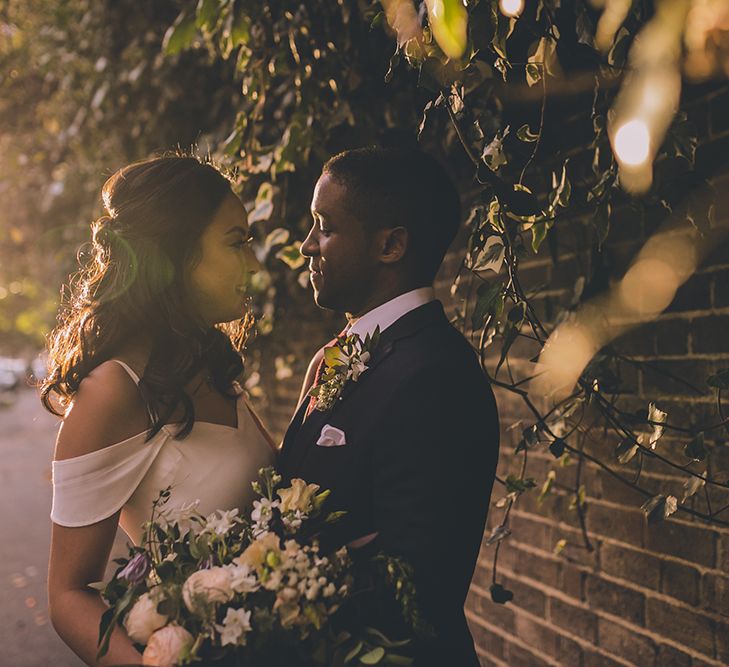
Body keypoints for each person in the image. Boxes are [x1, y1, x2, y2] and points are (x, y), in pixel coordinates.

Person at [42, 156, 276, 666]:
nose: (253, 264)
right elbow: (67, 596)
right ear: (176, 253)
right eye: (236, 242)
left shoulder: (210, 366)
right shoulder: (114, 390)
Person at [279, 146, 500, 667]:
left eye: (325, 227)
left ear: (391, 244)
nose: (308, 246)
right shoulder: (349, 356)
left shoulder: (435, 376)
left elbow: (414, 585)